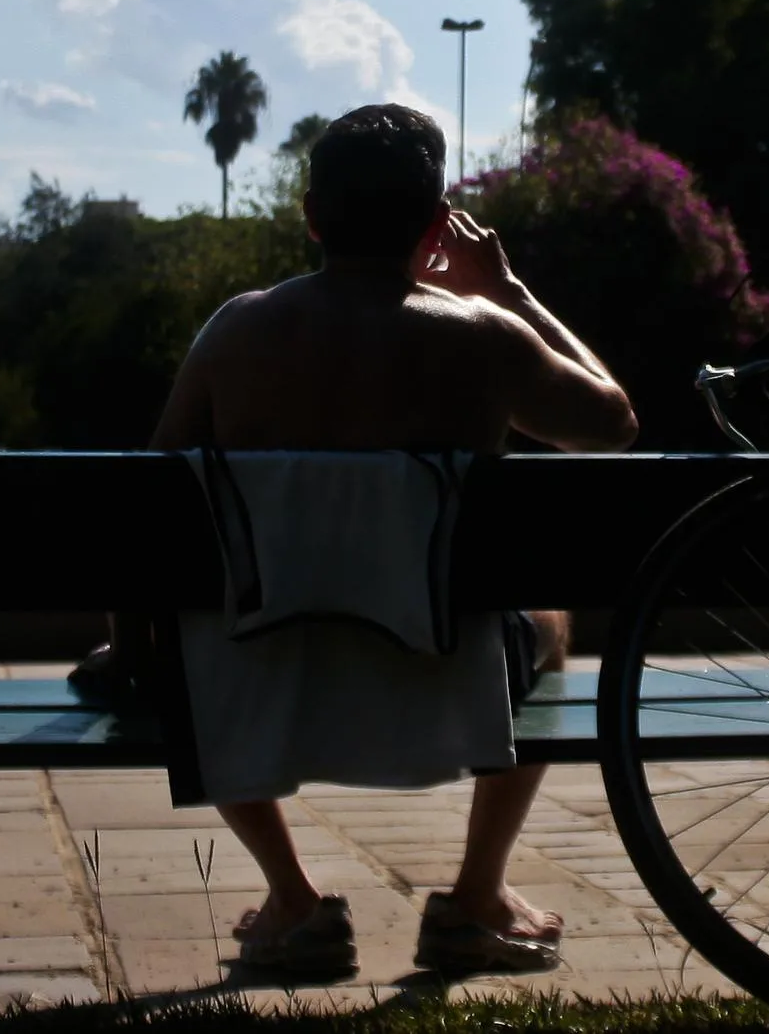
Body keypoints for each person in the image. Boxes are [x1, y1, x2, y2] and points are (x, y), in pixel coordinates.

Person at [149, 103, 637, 977]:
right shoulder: (485, 338)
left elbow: (145, 503)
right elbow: (614, 424)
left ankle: (294, 901)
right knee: (550, 620)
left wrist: (129, 640)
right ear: (431, 224)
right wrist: (509, 292)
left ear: (310, 215)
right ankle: (477, 894)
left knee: (193, 629)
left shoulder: (234, 331)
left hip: (258, 671)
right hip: (442, 662)